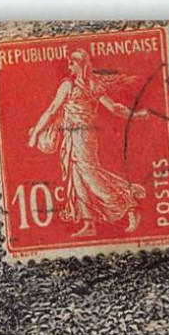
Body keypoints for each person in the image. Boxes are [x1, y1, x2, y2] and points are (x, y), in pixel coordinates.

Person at [26, 47, 153, 238]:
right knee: (77, 179)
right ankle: (89, 223)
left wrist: (35, 133)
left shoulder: (75, 85)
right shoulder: (85, 84)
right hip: (73, 136)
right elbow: (113, 108)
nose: (69, 66)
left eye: (72, 63)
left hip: (82, 137)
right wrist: (136, 115)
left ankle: (128, 204)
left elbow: (54, 110)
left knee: (91, 176)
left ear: (79, 65)